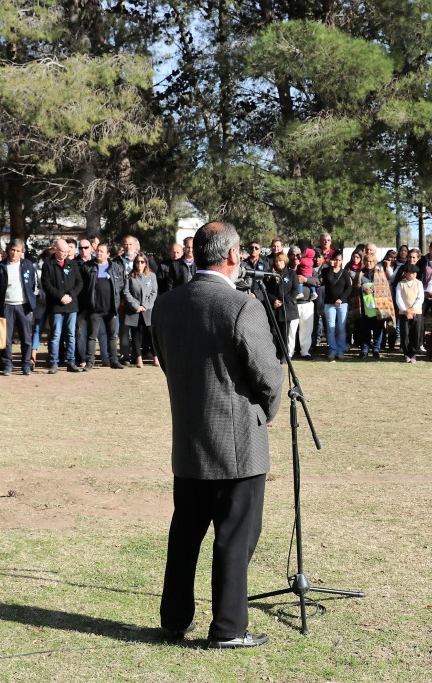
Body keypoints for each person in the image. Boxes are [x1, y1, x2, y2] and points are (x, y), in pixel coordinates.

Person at [152, 221, 283, 649]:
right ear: (231, 255)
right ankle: (228, 627)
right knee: (235, 535)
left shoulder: (166, 304)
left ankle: (174, 620)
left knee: (185, 535)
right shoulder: (242, 306)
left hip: (189, 437)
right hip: (238, 443)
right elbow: (269, 376)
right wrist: (265, 413)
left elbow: (167, 363)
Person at [0, 240, 39, 376]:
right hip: (6, 305)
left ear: (22, 252)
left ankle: (26, 364)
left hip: (24, 306)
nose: (15, 253)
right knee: (6, 338)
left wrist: (31, 302)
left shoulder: (28, 265)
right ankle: (7, 365)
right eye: (13, 250)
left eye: (18, 250)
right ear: (8, 250)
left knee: (26, 338)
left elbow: (33, 285)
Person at [41, 238, 85, 374]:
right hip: (56, 306)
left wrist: (70, 295)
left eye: (67, 251)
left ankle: (71, 362)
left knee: (71, 335)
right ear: (55, 250)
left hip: (71, 305)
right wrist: (60, 296)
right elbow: (46, 285)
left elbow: (79, 283)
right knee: (56, 335)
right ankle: (54, 362)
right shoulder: (47, 265)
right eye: (63, 251)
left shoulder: (72, 264)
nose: (66, 253)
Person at [81, 243, 126, 370]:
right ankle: (90, 362)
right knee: (92, 336)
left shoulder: (116, 268)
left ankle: (114, 361)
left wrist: (118, 300)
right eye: (97, 251)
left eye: (101, 251)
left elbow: (122, 284)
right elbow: (83, 287)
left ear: (108, 254)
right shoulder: (87, 267)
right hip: (94, 309)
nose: (98, 253)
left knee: (113, 336)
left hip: (111, 308)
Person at [123, 252, 158, 368]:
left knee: (151, 334)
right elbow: (126, 292)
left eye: (142, 262)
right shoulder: (130, 276)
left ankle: (156, 357)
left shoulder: (151, 276)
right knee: (135, 334)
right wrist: (136, 306)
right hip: (134, 310)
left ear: (146, 263)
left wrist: (145, 306)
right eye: (137, 262)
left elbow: (154, 292)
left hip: (148, 310)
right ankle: (138, 358)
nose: (139, 264)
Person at [321, 251, 352, 361]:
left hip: (342, 303)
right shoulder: (325, 271)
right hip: (329, 303)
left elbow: (349, 288)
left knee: (341, 327)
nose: (337, 262)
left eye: (339, 260)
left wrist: (341, 299)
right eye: (336, 260)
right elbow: (328, 280)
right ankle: (332, 350)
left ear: (342, 261)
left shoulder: (345, 273)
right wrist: (331, 267)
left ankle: (340, 350)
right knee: (330, 327)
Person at [394, 263, 424, 363]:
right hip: (404, 313)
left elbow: (420, 298)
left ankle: (413, 354)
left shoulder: (419, 283)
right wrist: (405, 310)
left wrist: (412, 309)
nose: (414, 274)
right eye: (412, 272)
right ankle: (406, 353)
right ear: (406, 273)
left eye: (415, 273)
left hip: (416, 312)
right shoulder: (400, 284)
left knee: (415, 333)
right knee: (405, 334)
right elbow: (398, 298)